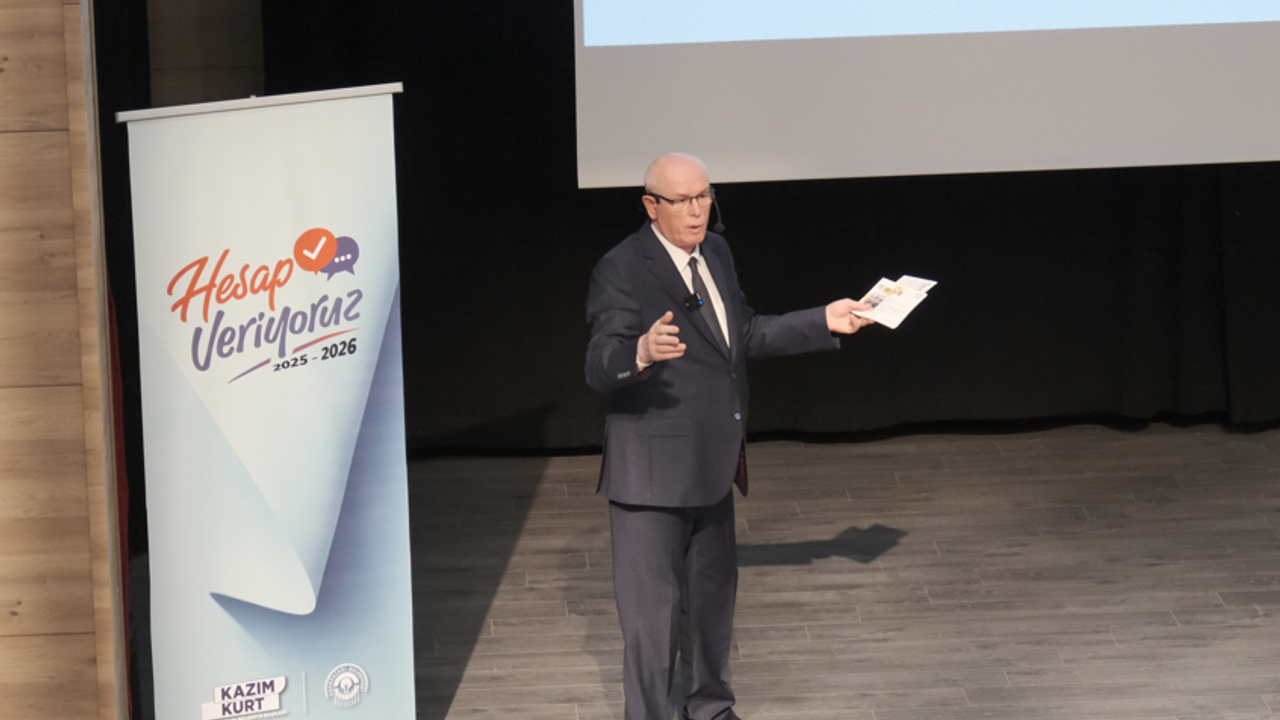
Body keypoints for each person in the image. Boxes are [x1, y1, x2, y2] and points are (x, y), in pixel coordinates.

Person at [585, 153, 873, 720]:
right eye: (682, 201)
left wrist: (823, 319)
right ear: (651, 206)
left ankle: (710, 709)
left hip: (713, 462)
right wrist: (639, 352)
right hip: (650, 476)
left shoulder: (715, 252)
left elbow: (741, 333)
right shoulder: (621, 267)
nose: (697, 211)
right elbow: (599, 364)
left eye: (704, 196)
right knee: (651, 621)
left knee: (712, 605)